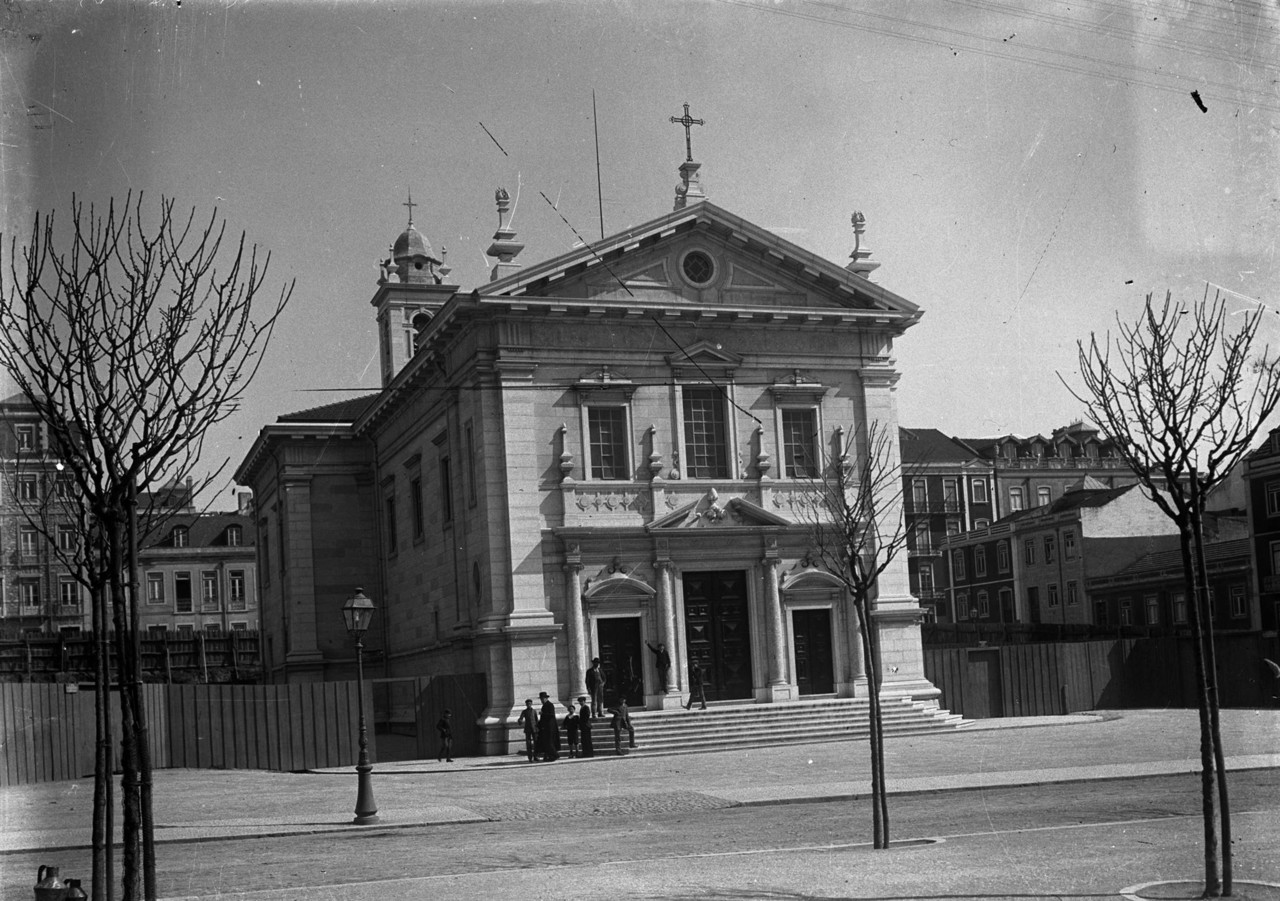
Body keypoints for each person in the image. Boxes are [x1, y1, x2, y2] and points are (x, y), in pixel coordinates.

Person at [536, 691, 560, 761]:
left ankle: (555, 755)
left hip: (550, 727)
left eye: (543, 699)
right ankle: (549, 756)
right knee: (546, 742)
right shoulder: (544, 705)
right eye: (541, 699)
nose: (542, 700)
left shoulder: (550, 705)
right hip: (545, 727)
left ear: (546, 698)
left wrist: (542, 714)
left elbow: (551, 715)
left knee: (549, 742)